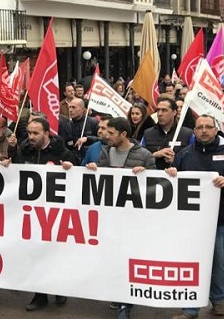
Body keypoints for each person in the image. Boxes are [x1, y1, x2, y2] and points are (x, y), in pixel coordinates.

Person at [167, 115, 224, 319]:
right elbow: (172, 183)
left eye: (208, 127)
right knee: (189, 263)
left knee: (218, 263)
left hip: (220, 221)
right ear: (194, 131)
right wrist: (170, 173)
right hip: (190, 223)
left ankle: (218, 300)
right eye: (200, 127)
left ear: (216, 130)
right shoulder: (185, 155)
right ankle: (189, 308)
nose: (204, 130)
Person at [85, 117, 155, 319]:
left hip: (133, 220)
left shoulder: (144, 155)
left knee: (129, 259)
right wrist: (94, 171)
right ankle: (119, 293)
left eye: (111, 133)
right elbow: (102, 181)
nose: (105, 136)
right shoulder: (106, 152)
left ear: (123, 134)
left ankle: (126, 302)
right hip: (111, 218)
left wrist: (146, 175)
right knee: (114, 258)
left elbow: (157, 187)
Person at [4, 117, 76, 311]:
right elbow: (15, 174)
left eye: (36, 133)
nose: (31, 137)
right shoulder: (24, 149)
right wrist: (8, 160)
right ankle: (40, 294)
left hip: (55, 213)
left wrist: (70, 168)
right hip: (31, 213)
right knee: (35, 253)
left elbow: (77, 180)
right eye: (29, 133)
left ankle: (58, 287)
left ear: (47, 133)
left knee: (54, 253)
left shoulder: (62, 152)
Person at [142, 96, 194, 169]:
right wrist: (155, 155)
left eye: (164, 110)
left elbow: (195, 161)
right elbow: (139, 159)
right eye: (158, 110)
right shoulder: (147, 134)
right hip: (153, 178)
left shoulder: (187, 134)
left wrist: (175, 161)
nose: (159, 114)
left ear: (174, 112)